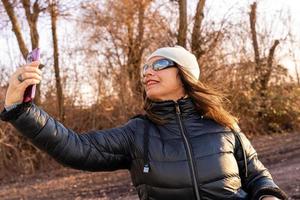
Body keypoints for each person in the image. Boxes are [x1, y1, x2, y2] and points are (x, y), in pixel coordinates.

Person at [0, 45, 287, 200]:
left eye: (159, 64)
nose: (148, 72)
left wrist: (268, 196)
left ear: (185, 74)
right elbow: (77, 148)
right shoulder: (138, 132)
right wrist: (20, 109)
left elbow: (257, 175)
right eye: (145, 67)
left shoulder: (223, 125)